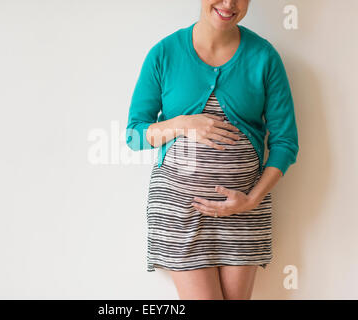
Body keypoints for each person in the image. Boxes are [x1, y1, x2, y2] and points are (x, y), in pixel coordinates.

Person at [125, 0, 299, 300]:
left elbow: (286, 142)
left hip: (245, 210)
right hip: (181, 211)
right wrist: (182, 123)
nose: (229, 4)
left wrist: (251, 200)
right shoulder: (165, 53)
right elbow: (135, 135)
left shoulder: (264, 57)